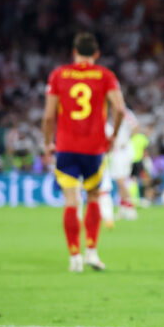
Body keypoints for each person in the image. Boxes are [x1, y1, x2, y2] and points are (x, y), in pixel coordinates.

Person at [42, 32, 126, 272]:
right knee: (93, 197)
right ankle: (91, 251)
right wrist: (112, 136)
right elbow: (119, 109)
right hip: (94, 147)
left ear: (74, 52)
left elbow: (48, 116)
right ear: (96, 54)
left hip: (66, 147)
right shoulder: (105, 76)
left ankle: (74, 257)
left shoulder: (58, 75)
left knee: (71, 200)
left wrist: (48, 142)